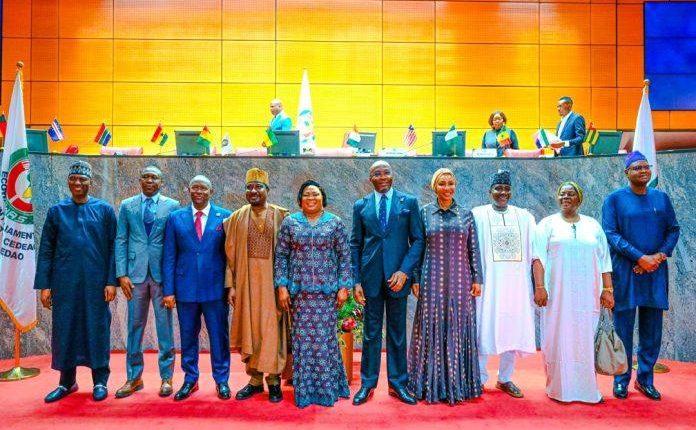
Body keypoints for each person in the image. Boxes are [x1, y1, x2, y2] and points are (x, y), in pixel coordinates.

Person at [35, 160, 118, 403]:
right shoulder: (56, 211)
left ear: (91, 182)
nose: (77, 183)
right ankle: (66, 382)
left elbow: (114, 248)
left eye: (82, 179)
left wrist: (111, 281)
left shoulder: (104, 210)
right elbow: (46, 249)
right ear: (68, 181)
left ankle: (100, 381)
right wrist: (45, 285)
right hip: (65, 283)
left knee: (97, 328)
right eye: (73, 179)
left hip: (96, 284)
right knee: (66, 329)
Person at [602, 151, 680, 401]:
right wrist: (639, 258)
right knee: (623, 329)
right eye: (637, 168)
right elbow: (611, 234)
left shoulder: (661, 198)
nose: (643, 171)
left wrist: (657, 257)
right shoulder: (614, 199)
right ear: (627, 173)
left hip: (655, 273)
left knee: (652, 331)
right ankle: (621, 380)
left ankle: (645, 380)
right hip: (625, 273)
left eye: (646, 167)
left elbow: (673, 230)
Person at [350, 160, 425, 406]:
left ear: (393, 176)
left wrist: (405, 272)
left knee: (397, 334)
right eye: (376, 174)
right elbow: (355, 244)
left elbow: (418, 240)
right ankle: (367, 384)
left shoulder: (409, 203)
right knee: (371, 334)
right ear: (370, 179)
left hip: (397, 279)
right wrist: (356, 281)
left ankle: (398, 384)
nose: (382, 177)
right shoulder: (361, 206)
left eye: (386, 172)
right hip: (370, 279)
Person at [533, 181, 615, 403]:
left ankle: (587, 390)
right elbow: (538, 258)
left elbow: (604, 260)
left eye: (571, 194)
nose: (565, 197)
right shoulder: (547, 224)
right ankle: (559, 389)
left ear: (579, 199)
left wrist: (608, 289)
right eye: (562, 194)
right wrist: (540, 287)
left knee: (584, 338)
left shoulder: (592, 225)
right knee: (557, 338)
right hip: (556, 295)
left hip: (588, 295)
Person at [408, 168, 483, 404]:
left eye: (451, 183)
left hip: (461, 281)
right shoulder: (424, 213)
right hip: (431, 279)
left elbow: (473, 248)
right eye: (442, 183)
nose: (447, 187)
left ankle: (459, 385)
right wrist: (415, 278)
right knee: (431, 326)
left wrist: (477, 278)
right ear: (434, 187)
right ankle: (428, 384)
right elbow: (417, 247)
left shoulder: (466, 215)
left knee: (458, 327)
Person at [274, 180, 351, 408]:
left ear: (322, 198)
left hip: (327, 294)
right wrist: (281, 286)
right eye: (306, 194)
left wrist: (344, 286)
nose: (311, 198)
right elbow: (281, 256)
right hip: (300, 294)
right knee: (303, 342)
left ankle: (329, 388)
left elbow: (344, 256)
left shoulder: (335, 223)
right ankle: (306, 391)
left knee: (325, 340)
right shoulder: (290, 223)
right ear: (300, 200)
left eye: (315, 194)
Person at [162, 175, 232, 401]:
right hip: (186, 289)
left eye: (203, 188)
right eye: (195, 187)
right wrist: (168, 291)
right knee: (188, 336)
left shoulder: (225, 217)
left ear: (211, 191)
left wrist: (231, 286)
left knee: (219, 336)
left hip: (216, 289)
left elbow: (231, 256)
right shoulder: (176, 218)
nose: (199, 191)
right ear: (189, 190)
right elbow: (169, 256)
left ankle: (222, 379)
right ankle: (190, 379)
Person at [224, 168, 290, 403]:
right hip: (246, 287)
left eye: (258, 187)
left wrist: (285, 286)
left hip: (273, 288)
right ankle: (254, 380)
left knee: (272, 331)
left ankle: (273, 380)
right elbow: (229, 255)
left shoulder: (281, 215)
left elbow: (290, 253)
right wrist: (231, 286)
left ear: (267, 190)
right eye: (249, 187)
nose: (253, 191)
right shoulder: (236, 218)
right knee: (250, 330)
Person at [114, 166, 180, 399]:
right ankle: (134, 377)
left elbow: (174, 243)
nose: (150, 180)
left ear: (161, 182)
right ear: (140, 180)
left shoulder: (172, 206)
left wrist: (173, 279)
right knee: (134, 326)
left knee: (165, 328)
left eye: (154, 177)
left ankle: (167, 377)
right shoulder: (127, 205)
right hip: (135, 276)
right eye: (146, 177)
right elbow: (121, 239)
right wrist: (121, 274)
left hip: (162, 276)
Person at [472, 170, 536, 398]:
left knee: (512, 329)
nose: (503, 193)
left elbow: (535, 252)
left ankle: (505, 378)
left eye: (507, 189)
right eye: (498, 189)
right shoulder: (477, 215)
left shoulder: (524, 217)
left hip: (516, 286)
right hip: (488, 285)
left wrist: (539, 285)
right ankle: (479, 379)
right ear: (489, 191)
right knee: (483, 328)